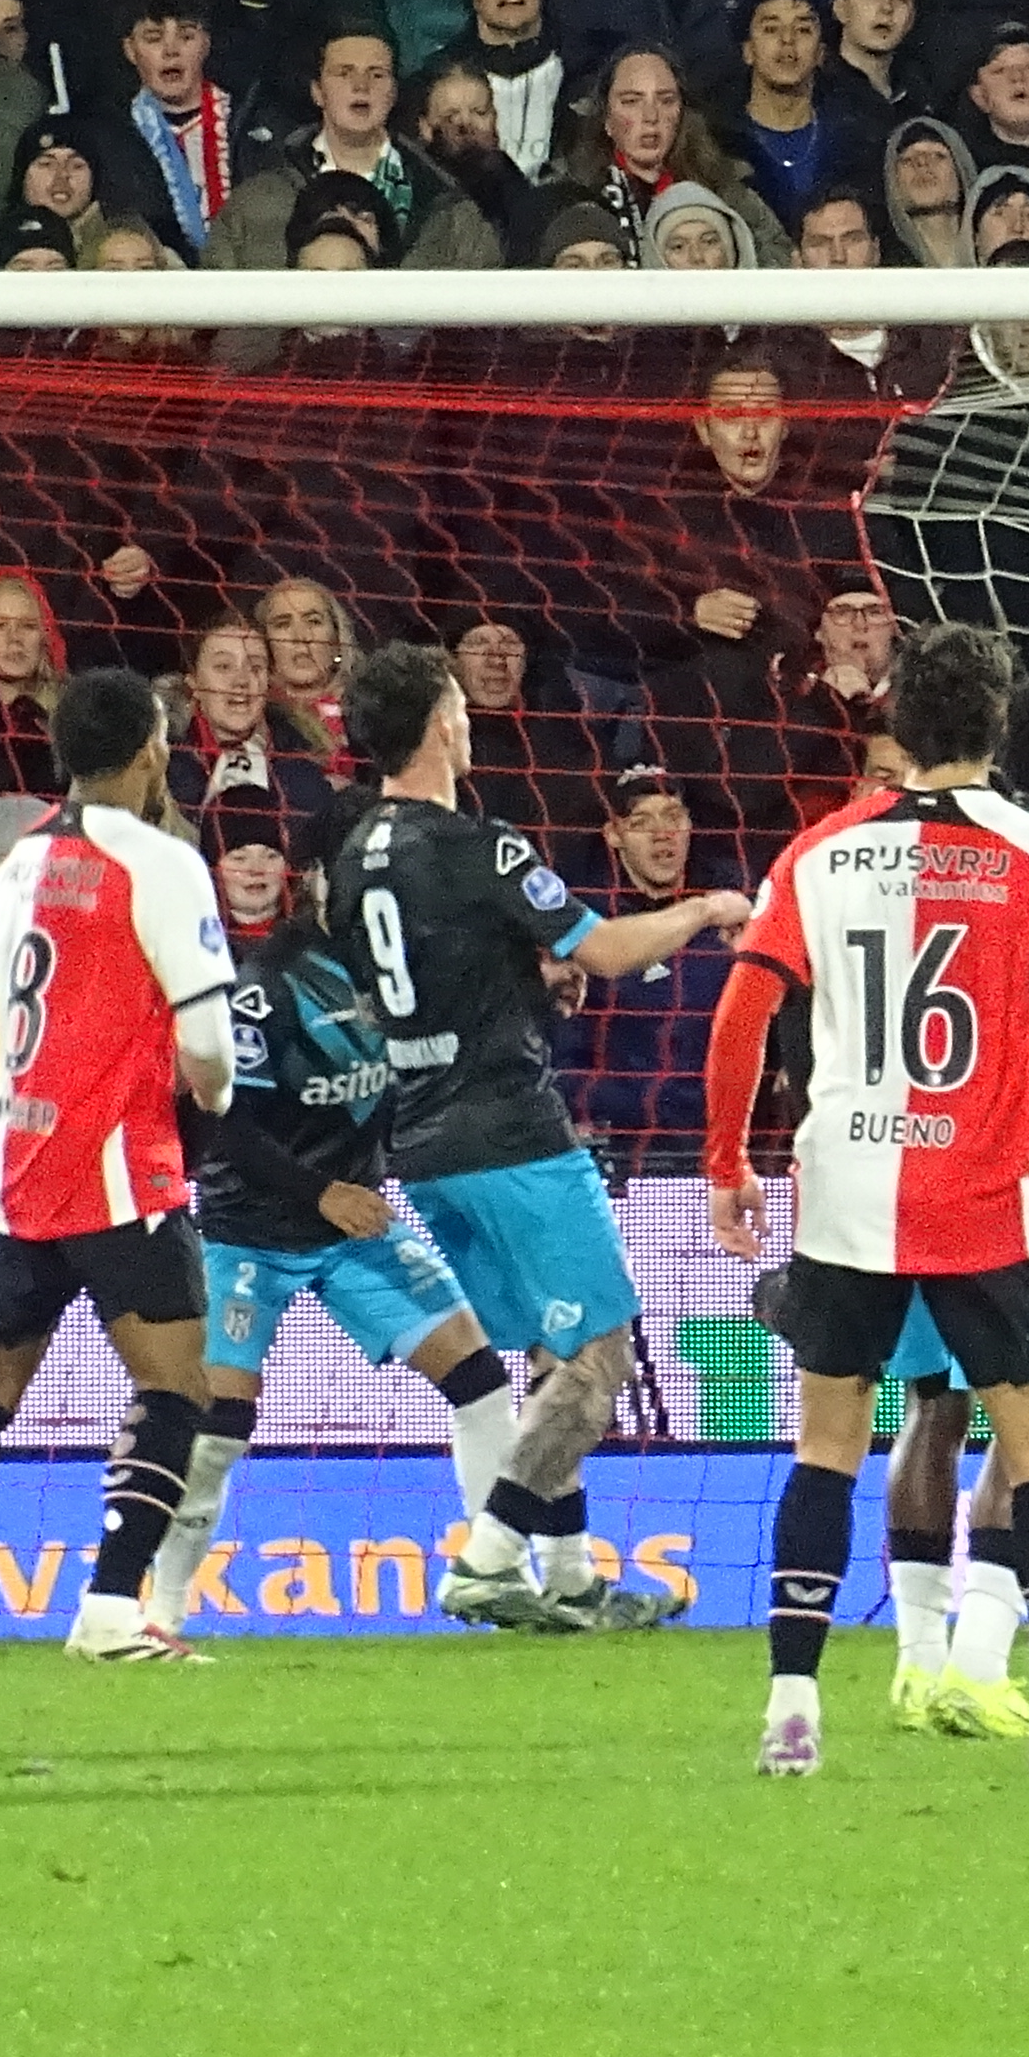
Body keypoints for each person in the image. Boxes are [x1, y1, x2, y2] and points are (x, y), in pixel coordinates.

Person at [704, 624, 1029, 1774]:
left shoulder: (820, 853)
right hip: (984, 1199)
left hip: (844, 1199)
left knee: (827, 1450)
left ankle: (792, 1708)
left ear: (902, 726)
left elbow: (740, 1015)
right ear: (997, 724)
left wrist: (728, 1162)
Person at [327, 639, 757, 1619]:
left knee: (551, 1360)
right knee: (601, 1357)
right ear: (444, 722)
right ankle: (488, 1557)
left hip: (422, 1142)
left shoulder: (349, 856)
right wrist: (704, 907)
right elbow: (605, 950)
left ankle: (568, 1581)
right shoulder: (482, 844)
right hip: (512, 1131)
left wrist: (511, 982)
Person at [0, 668, 240, 1669]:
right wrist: (211, 1104)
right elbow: (210, 1044)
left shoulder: (14, 864)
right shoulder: (166, 864)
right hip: (120, 1165)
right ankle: (107, 1612)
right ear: (150, 751)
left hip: (15, 1159)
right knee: (177, 1385)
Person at [173, 812, 574, 1642]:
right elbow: (224, 1125)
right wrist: (320, 1192)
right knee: (219, 1430)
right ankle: (156, 1612)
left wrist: (542, 999)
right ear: (317, 880)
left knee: (480, 1382)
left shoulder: (398, 970)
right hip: (250, 1230)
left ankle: (498, 1575)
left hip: (355, 1223)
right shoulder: (266, 984)